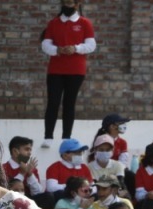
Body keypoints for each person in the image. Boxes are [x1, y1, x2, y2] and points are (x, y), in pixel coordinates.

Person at [40, 0, 95, 147]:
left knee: (69, 103)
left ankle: (66, 137)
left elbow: (91, 45)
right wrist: (57, 50)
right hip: (55, 69)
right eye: (65, 3)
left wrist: (75, 48)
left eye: (70, 3)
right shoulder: (53, 23)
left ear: (77, 5)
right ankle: (48, 137)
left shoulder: (85, 23)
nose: (67, 6)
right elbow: (45, 44)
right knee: (53, 102)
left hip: (76, 70)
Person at [4, 136, 53, 209]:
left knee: (48, 196)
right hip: (10, 201)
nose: (29, 153)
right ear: (14, 151)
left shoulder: (32, 169)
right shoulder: (3, 168)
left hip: (29, 202)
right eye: (26, 149)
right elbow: (6, 190)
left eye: (30, 150)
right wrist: (22, 173)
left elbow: (37, 192)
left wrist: (30, 174)